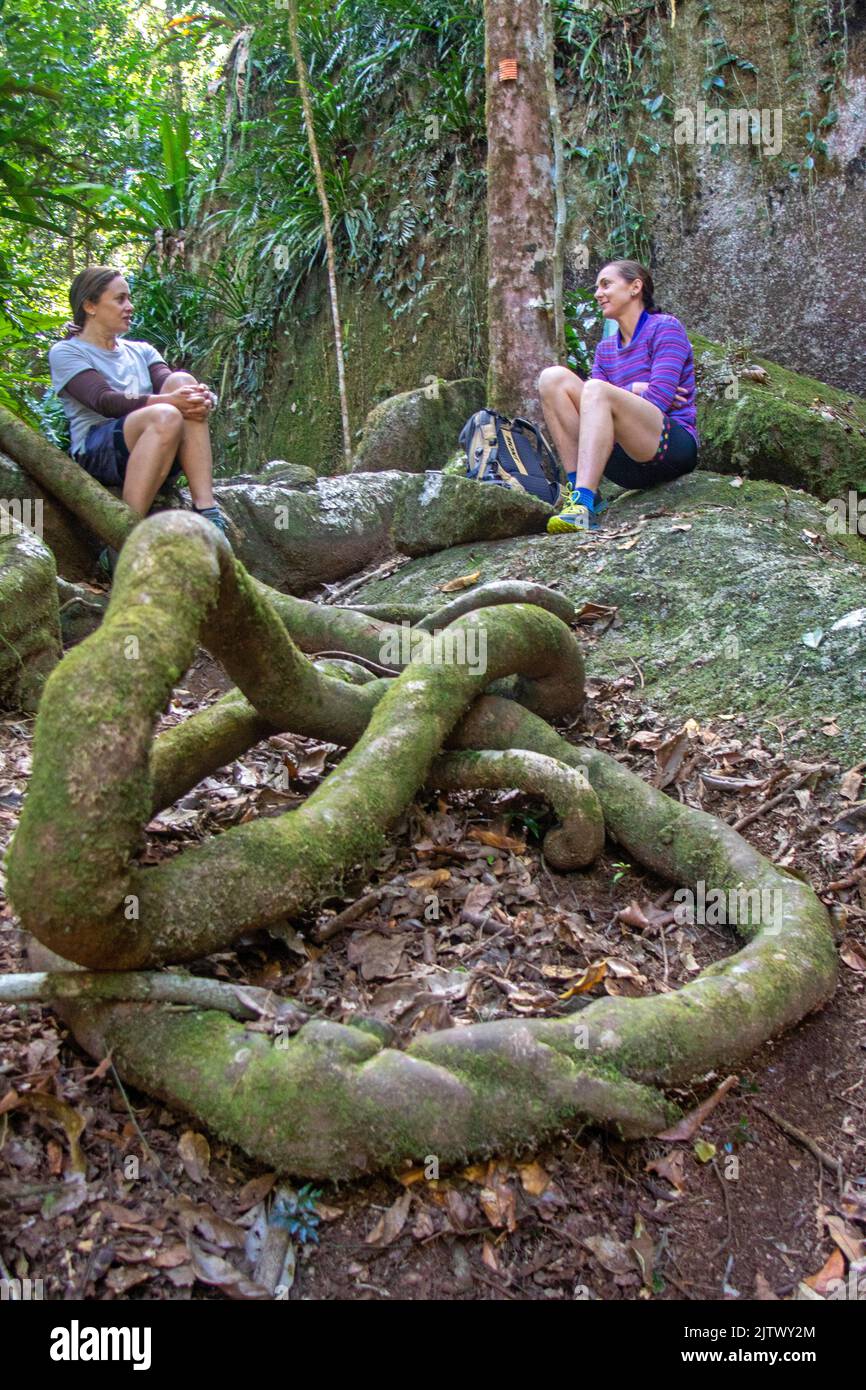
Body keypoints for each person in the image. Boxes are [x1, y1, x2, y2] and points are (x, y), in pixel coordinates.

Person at [48, 266, 229, 576]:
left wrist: (198, 396)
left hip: (158, 442)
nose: (129, 307)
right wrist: (173, 403)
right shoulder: (66, 352)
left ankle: (207, 511)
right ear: (90, 306)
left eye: (128, 299)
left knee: (183, 381)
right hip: (98, 451)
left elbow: (171, 384)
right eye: (119, 300)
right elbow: (104, 401)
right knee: (167, 412)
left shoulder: (141, 350)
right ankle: (122, 538)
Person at [538, 260, 699, 533]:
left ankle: (582, 505)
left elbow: (659, 400)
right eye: (597, 287)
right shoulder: (604, 349)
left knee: (596, 390)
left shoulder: (665, 328)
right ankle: (584, 493)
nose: (598, 294)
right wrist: (635, 389)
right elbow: (597, 407)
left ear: (635, 287)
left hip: (670, 449)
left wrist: (620, 394)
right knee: (552, 379)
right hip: (625, 463)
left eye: (606, 284)